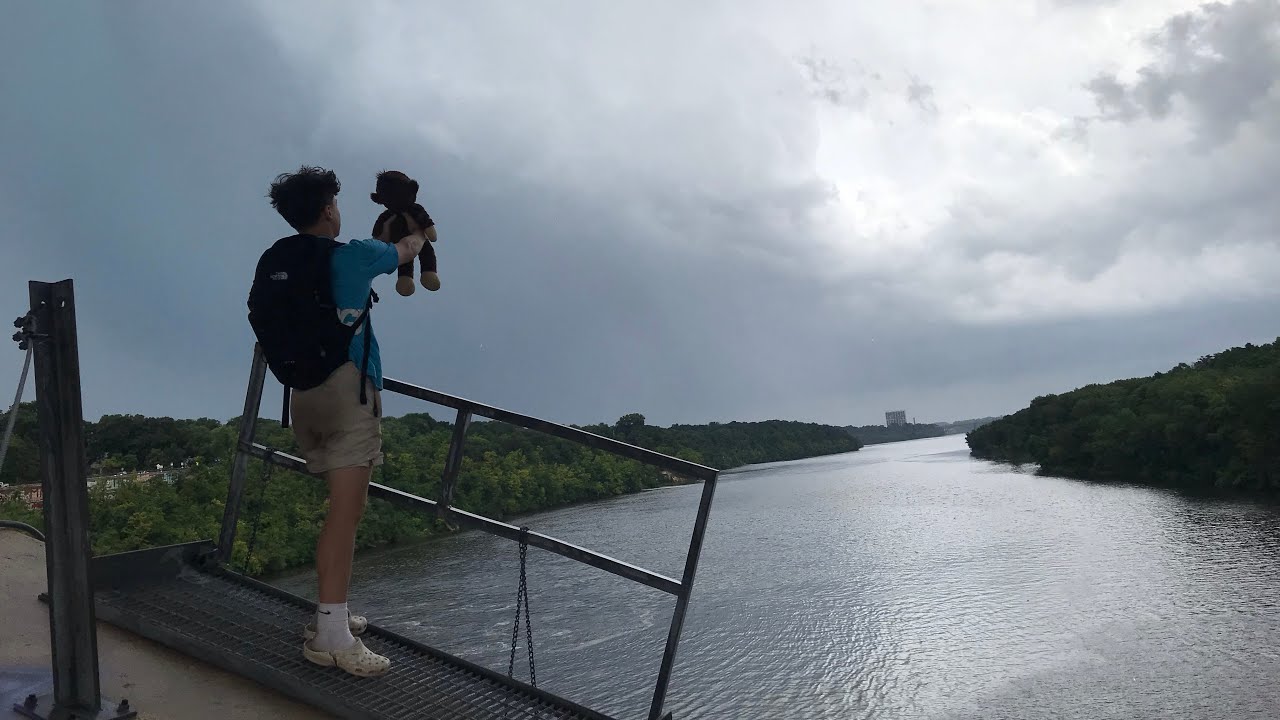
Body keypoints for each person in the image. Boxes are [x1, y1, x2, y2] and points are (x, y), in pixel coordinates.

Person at [265, 166, 427, 677]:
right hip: (347, 392)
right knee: (346, 514)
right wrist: (419, 228)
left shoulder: (278, 258)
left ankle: (331, 614)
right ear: (329, 209)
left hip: (301, 396)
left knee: (338, 512)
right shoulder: (354, 255)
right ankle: (330, 635)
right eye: (335, 202)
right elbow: (408, 252)